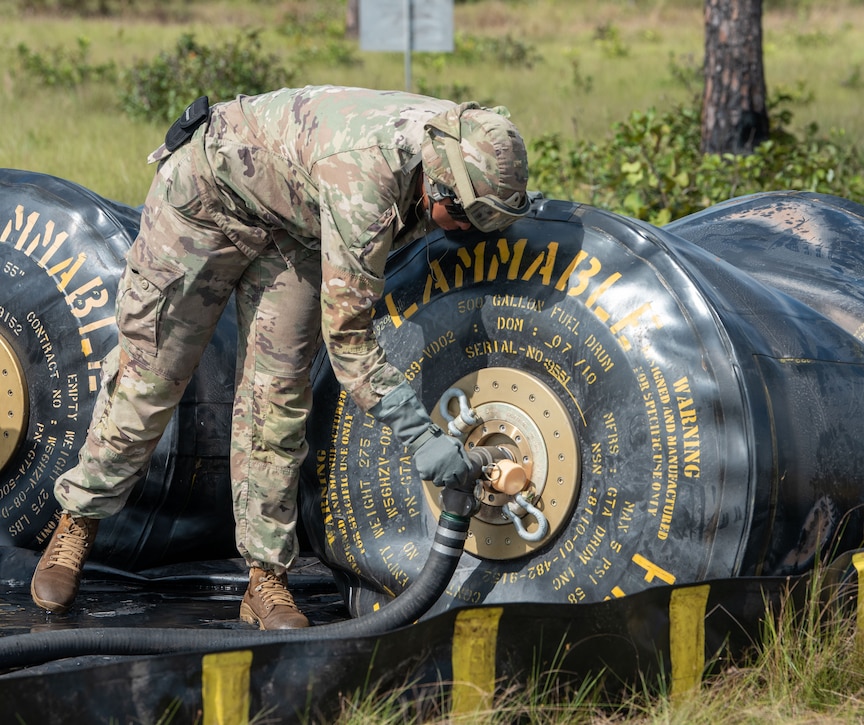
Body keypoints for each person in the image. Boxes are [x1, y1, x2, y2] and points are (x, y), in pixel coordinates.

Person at [29, 85, 531, 629]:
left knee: (277, 403)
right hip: (206, 201)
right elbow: (349, 343)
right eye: (463, 217)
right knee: (151, 381)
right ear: (440, 181)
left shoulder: (468, 143)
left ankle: (265, 580)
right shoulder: (364, 182)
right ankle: (77, 522)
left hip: (296, 228)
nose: (462, 233)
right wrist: (421, 435)